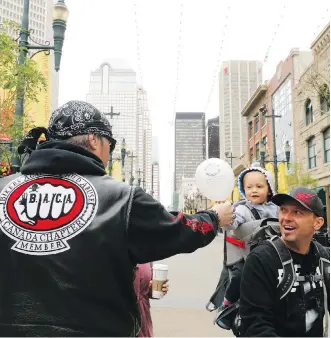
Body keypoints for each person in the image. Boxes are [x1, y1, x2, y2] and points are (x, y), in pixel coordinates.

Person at [0, 100, 233, 337]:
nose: (109, 155)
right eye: (109, 146)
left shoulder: (2, 190)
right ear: (93, 139)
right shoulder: (121, 198)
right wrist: (215, 216)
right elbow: (181, 230)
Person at [240, 187, 330, 337]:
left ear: (318, 223)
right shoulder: (262, 259)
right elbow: (255, 325)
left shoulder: (325, 258)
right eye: (283, 210)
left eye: (297, 212)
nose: (286, 218)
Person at [216, 165, 279, 329]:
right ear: (243, 190)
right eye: (249, 187)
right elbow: (233, 222)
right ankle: (227, 305)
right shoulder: (243, 208)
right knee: (240, 276)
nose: (254, 190)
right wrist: (228, 218)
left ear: (270, 188)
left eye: (259, 186)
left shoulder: (277, 208)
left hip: (276, 254)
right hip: (249, 256)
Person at [133, 263, 169, 337]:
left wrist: (155, 288)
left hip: (144, 320)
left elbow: (145, 290)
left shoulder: (145, 257)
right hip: (122, 319)